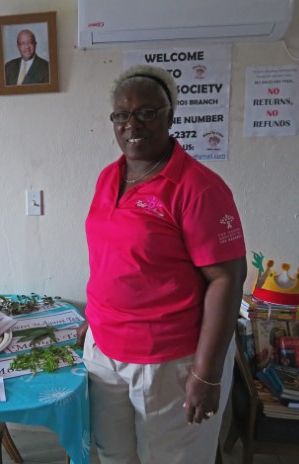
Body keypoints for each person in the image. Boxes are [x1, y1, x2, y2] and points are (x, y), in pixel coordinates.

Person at [77, 64, 247, 464]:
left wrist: (206, 374)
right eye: (122, 114)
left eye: (146, 112)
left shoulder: (198, 188)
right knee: (114, 455)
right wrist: (93, 318)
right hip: (104, 352)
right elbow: (111, 258)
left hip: (168, 363)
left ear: (170, 116)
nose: (132, 123)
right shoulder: (108, 177)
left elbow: (227, 278)